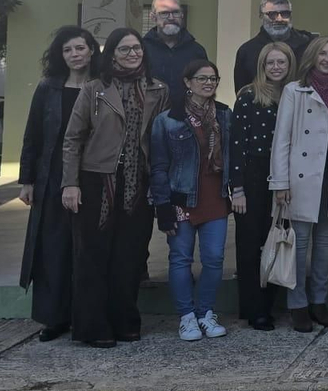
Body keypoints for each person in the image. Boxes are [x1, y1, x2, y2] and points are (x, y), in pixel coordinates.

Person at [60, 27, 168, 348]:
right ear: (112, 54)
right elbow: (73, 139)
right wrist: (70, 183)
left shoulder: (157, 90)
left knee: (130, 256)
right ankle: (93, 326)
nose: (132, 54)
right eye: (125, 49)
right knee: (93, 256)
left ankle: (125, 321)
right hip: (96, 181)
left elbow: (161, 140)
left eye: (137, 49)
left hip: (138, 184)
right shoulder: (95, 89)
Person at [18, 26, 99, 342]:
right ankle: (54, 318)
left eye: (80, 48)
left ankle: (84, 316)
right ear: (60, 55)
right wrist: (27, 180)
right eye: (68, 50)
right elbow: (32, 136)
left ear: (92, 50)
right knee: (53, 248)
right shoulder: (48, 88)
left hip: (92, 177)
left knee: (86, 250)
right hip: (52, 178)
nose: (75, 54)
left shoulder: (101, 87)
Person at [149, 60, 232, 341]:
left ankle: (205, 313)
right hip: (181, 200)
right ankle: (186, 317)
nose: (208, 83)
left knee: (213, 258)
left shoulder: (224, 115)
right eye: (202, 78)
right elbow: (159, 166)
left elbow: (233, 158)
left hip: (215, 198)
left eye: (213, 79)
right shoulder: (167, 119)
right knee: (181, 258)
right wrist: (163, 207)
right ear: (187, 82)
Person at [270, 36, 328, 333]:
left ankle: (319, 301)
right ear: (312, 56)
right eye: (323, 53)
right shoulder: (295, 90)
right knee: (298, 245)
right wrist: (279, 183)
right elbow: (282, 139)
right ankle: (297, 305)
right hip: (301, 176)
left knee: (326, 244)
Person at [230, 42, 295, 331]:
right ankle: (253, 308)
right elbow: (236, 144)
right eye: (271, 63)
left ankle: (271, 303)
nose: (276, 67)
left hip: (286, 176)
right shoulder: (248, 96)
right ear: (262, 65)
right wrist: (238, 188)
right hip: (254, 176)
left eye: (282, 62)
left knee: (278, 240)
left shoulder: (296, 95)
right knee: (250, 243)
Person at [234, 0, 315, 95]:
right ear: (261, 16)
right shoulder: (247, 51)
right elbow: (242, 92)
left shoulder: (309, 45)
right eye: (272, 14)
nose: (279, 19)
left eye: (285, 13)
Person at [143, 0, 208, 96]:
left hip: (186, 110)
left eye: (175, 12)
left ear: (182, 15)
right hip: (150, 110)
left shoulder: (197, 51)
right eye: (164, 13)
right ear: (153, 17)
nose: (171, 18)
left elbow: (204, 85)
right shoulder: (141, 49)